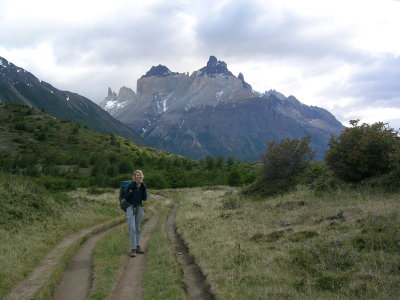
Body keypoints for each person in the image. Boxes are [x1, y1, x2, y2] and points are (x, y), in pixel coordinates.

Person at [124, 170, 147, 257]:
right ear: (134, 176)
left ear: (142, 177)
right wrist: (131, 190)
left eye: (140, 176)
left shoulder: (142, 186)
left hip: (139, 207)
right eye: (137, 176)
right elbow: (126, 197)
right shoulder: (131, 185)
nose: (139, 177)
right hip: (130, 207)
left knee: (138, 228)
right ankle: (133, 249)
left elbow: (144, 198)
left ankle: (137, 247)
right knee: (132, 228)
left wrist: (144, 189)